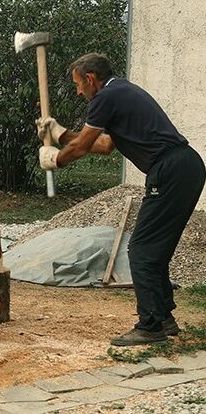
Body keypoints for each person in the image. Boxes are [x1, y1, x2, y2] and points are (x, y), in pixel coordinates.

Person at [37, 52, 205, 346]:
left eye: (78, 84)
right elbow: (102, 146)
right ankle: (163, 318)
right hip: (185, 166)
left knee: (141, 249)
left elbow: (82, 148)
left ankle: (151, 325)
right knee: (153, 249)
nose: (78, 91)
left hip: (170, 170)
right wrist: (60, 133)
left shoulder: (106, 97)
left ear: (91, 79)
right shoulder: (121, 92)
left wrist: (56, 160)